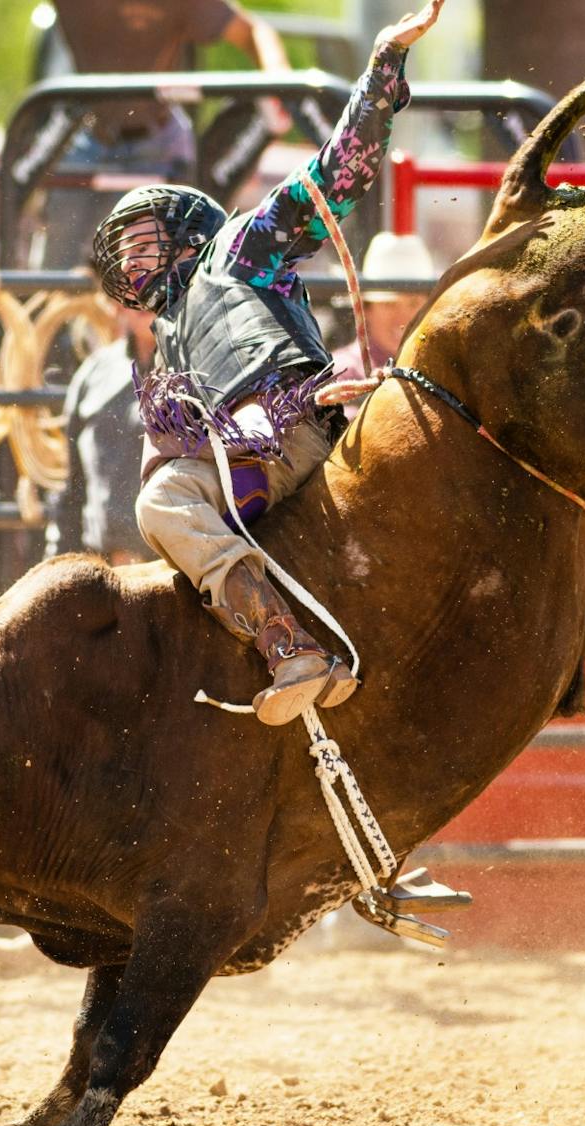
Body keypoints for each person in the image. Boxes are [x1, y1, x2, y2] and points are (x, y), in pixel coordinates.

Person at [88, 1, 446, 726]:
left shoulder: (246, 248)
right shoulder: (170, 344)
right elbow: (171, 452)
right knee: (157, 500)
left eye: (145, 239)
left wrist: (383, 64)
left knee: (188, 479)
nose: (134, 259)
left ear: (188, 230)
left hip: (295, 427)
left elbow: (337, 173)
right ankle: (285, 644)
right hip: (236, 460)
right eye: (126, 255)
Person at [38, 0, 292, 270]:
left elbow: (253, 30)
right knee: (57, 266)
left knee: (157, 265)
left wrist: (280, 79)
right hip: (87, 134)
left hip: (159, 140)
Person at [46, 306, 155, 564]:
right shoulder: (93, 373)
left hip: (177, 572)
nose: (143, 295)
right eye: (133, 276)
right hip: (105, 570)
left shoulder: (201, 368)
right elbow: (71, 491)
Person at [329, 230, 440, 422]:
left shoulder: (443, 368)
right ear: (367, 309)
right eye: (389, 303)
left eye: (413, 303)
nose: (402, 317)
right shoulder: (339, 372)